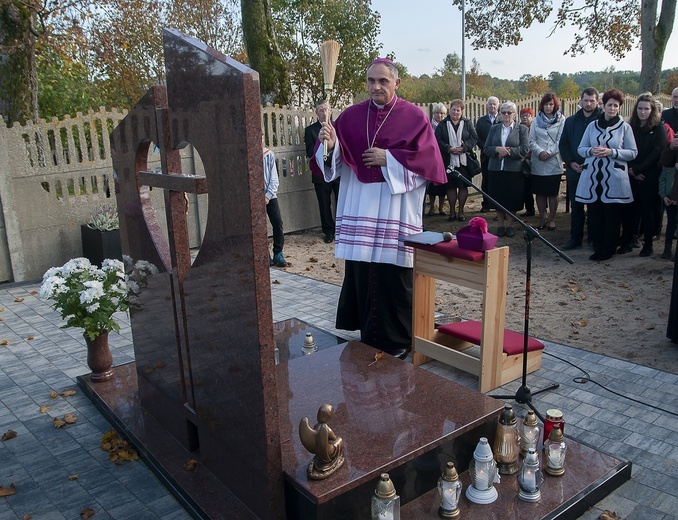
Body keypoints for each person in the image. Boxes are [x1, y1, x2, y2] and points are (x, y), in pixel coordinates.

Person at [313, 58, 446, 359]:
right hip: (361, 202)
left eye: (383, 81)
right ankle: (367, 333)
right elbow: (330, 165)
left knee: (393, 274)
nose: (376, 86)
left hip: (394, 206)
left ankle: (398, 339)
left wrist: (390, 159)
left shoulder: (414, 116)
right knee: (363, 270)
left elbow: (430, 162)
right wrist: (330, 144)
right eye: (371, 81)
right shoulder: (349, 116)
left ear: (396, 83)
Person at [576, 89, 638, 261]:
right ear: (603, 105)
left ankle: (608, 249)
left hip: (615, 179)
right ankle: (597, 246)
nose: (612, 108)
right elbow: (581, 149)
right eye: (609, 105)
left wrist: (612, 152)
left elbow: (633, 152)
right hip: (593, 178)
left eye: (615, 106)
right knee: (594, 215)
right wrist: (591, 150)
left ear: (619, 108)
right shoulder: (592, 126)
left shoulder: (625, 127)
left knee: (612, 216)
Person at [619, 93, 667, 257]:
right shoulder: (630, 126)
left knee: (647, 210)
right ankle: (627, 241)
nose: (643, 112)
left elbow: (657, 152)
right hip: (631, 173)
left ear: (652, 110)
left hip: (649, 174)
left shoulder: (658, 127)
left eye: (646, 109)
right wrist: (632, 169)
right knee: (629, 210)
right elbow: (624, 148)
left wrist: (639, 170)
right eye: (640, 108)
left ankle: (648, 244)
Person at [559, 87, 602, 250]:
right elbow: (564, 144)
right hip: (574, 170)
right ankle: (575, 239)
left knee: (594, 207)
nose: (589, 103)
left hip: (595, 170)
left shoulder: (602, 120)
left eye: (592, 101)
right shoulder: (571, 121)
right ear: (580, 101)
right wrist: (570, 162)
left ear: (597, 101)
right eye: (586, 100)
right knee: (576, 207)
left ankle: (592, 238)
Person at [483, 101, 529, 237]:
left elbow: (525, 149)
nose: (506, 115)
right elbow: (486, 148)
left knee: (512, 198)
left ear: (514, 114)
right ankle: (500, 225)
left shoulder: (522, 129)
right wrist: (497, 149)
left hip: (514, 170)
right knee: (498, 197)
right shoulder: (494, 129)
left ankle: (510, 225)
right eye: (503, 112)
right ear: (500, 114)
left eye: (509, 112)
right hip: (496, 169)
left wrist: (509, 152)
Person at [434, 99, 479, 222]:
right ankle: (452, 211)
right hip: (448, 161)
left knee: (463, 186)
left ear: (462, 111)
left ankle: (461, 211)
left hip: (463, 161)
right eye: (454, 109)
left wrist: (464, 148)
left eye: (458, 110)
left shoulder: (467, 123)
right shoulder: (443, 124)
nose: (456, 112)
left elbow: (474, 138)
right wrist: (448, 148)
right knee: (451, 187)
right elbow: (436, 139)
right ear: (450, 110)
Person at [305, 99, 340, 243]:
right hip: (320, 173)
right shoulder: (311, 130)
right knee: (324, 204)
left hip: (338, 172)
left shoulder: (338, 127)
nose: (324, 112)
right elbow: (310, 152)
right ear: (316, 112)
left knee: (341, 201)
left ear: (331, 111)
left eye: (326, 109)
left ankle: (341, 229)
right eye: (321, 110)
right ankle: (328, 231)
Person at [529, 93, 565, 231]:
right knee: (540, 192)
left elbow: (560, 140)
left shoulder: (561, 120)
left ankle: (552, 219)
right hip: (538, 160)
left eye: (551, 104)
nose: (548, 107)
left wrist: (549, 152)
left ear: (554, 105)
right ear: (542, 105)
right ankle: (542, 217)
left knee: (552, 192)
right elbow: (531, 140)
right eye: (546, 104)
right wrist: (540, 152)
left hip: (553, 160)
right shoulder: (536, 120)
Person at [475, 96, 501, 212]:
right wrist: (486, 148)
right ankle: (486, 204)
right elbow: (477, 137)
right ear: (487, 106)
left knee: (498, 181)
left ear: (498, 105)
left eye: (494, 104)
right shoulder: (481, 121)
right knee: (486, 180)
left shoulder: (501, 119)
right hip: (486, 156)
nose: (492, 106)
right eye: (490, 104)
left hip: (500, 156)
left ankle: (498, 206)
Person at [426, 102, 448, 216]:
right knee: (432, 184)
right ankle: (432, 206)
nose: (439, 115)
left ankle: (441, 207)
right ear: (433, 113)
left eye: (442, 113)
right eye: (437, 113)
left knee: (442, 184)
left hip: (443, 157)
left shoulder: (446, 126)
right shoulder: (429, 125)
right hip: (431, 158)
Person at [519, 107, 536, 216]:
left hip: (534, 159)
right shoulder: (518, 128)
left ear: (532, 117)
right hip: (521, 161)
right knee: (525, 187)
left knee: (534, 186)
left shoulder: (535, 128)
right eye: (523, 115)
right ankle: (529, 208)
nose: (525, 118)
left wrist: (529, 154)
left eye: (528, 115)